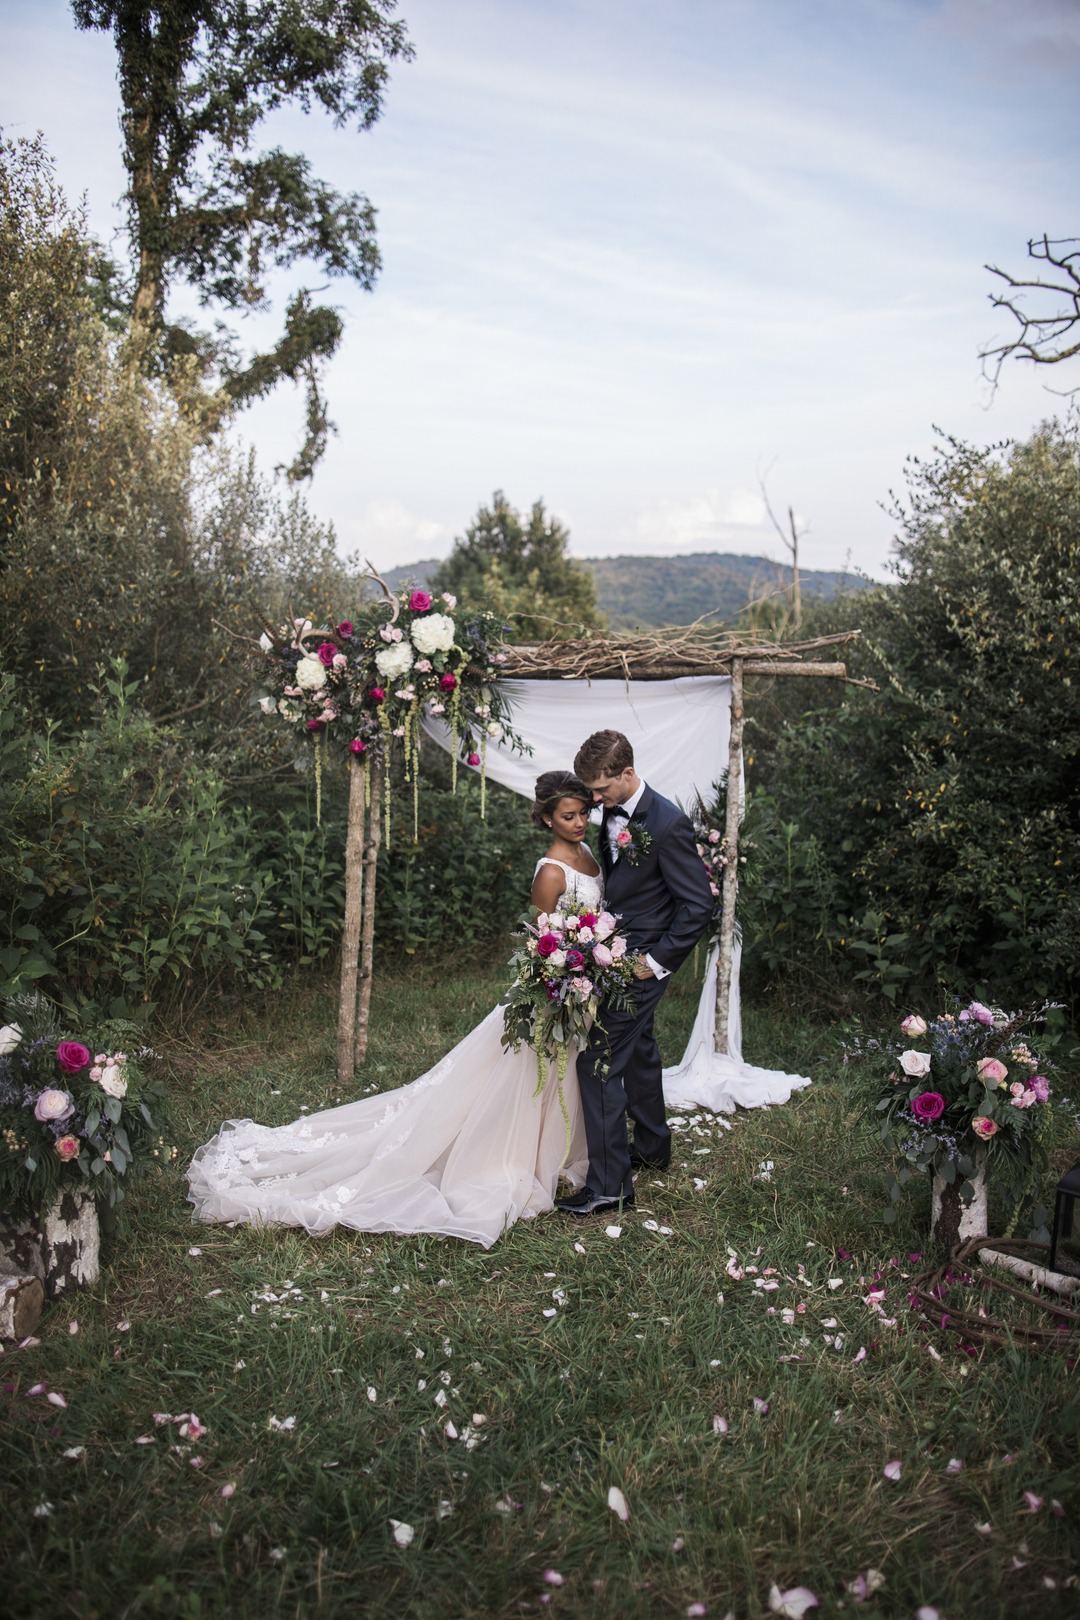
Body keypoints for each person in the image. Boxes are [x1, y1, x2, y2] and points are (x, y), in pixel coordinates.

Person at [186, 772, 597, 1249]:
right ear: (546, 819)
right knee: (527, 1072)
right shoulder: (551, 873)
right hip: (555, 984)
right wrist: (565, 969)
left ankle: (562, 1149)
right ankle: (509, 1156)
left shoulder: (589, 853)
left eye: (583, 814)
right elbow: (540, 939)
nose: (579, 823)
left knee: (566, 1068)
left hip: (583, 983)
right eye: (568, 816)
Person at [555, 730, 714, 1217]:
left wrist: (656, 962)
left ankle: (610, 1188)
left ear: (627, 773)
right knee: (639, 1049)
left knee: (596, 1062)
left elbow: (698, 905)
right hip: (612, 953)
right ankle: (652, 1147)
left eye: (601, 790)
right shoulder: (611, 810)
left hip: (642, 964)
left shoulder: (668, 823)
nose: (595, 800)